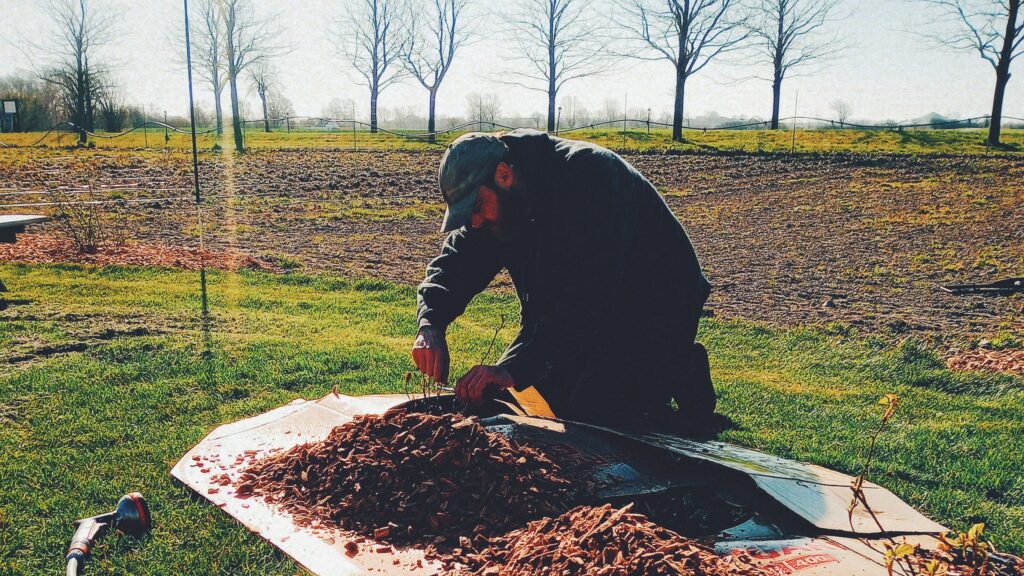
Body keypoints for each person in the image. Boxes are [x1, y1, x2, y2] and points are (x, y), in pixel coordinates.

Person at [411, 129, 715, 428]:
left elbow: (589, 300)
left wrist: (512, 369)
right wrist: (431, 323)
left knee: (592, 416)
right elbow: (457, 262)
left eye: (477, 208)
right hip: (574, 312)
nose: (475, 222)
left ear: (504, 175)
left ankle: (680, 365)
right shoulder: (499, 202)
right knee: (509, 401)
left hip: (653, 310)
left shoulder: (591, 177)